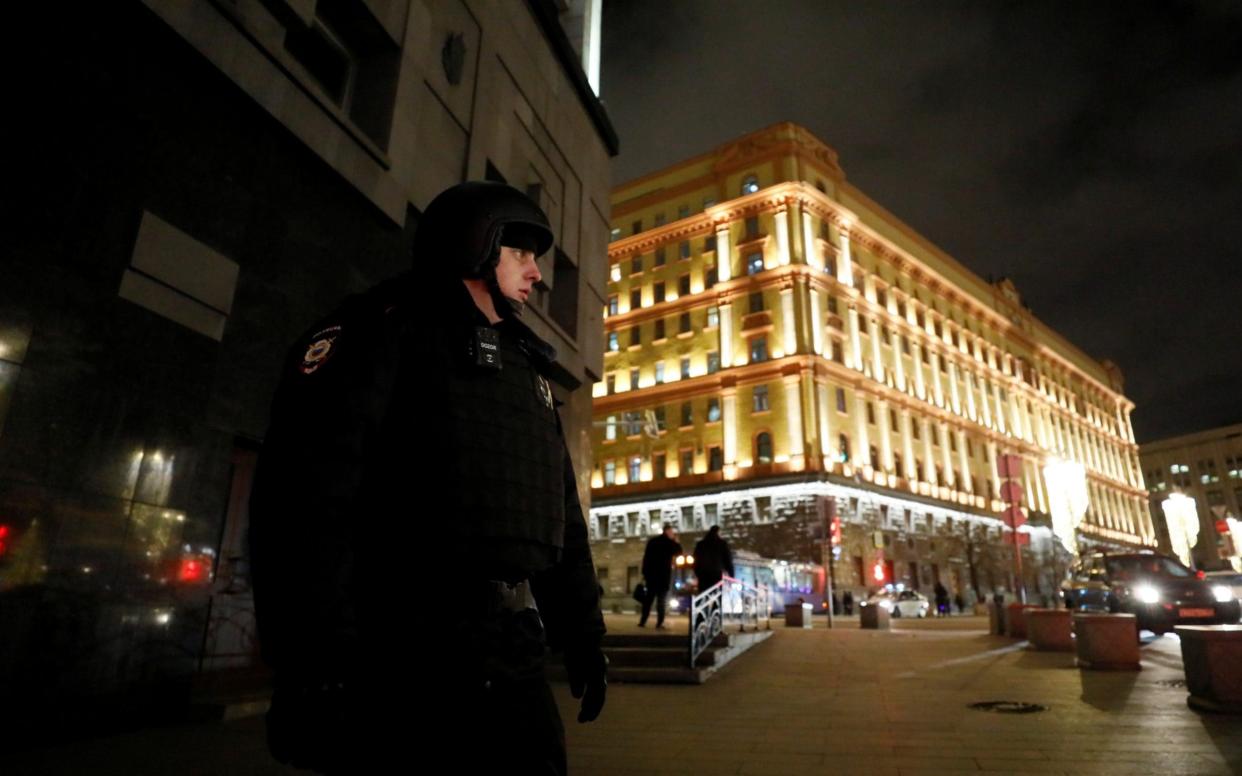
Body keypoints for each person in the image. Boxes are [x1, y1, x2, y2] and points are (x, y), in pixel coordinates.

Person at [249, 181, 607, 775]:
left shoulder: (527, 368)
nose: (537, 274)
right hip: (403, 655)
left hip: (511, 654)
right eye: (521, 253)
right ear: (475, 244)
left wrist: (583, 635)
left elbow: (559, 514)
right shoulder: (380, 332)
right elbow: (306, 503)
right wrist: (313, 665)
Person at [639, 523, 682, 628]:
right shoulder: (669, 543)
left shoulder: (652, 541)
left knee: (648, 599)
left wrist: (644, 573)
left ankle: (643, 621)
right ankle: (659, 622)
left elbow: (646, 558)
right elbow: (679, 551)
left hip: (651, 575)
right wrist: (675, 541)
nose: (672, 533)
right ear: (667, 531)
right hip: (663, 576)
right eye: (671, 532)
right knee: (661, 601)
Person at [692, 525, 734, 594]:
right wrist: (731, 575)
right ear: (718, 533)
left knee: (704, 595)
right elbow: (728, 560)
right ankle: (716, 604)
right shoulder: (722, 544)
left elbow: (695, 560)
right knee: (716, 595)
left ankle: (703, 604)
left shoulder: (700, 544)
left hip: (703, 574)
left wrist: (697, 572)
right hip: (716, 573)